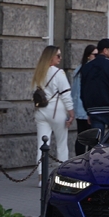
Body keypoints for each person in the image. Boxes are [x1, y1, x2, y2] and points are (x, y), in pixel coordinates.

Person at [32, 46, 74, 186]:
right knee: (62, 145)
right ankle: (62, 177)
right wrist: (71, 113)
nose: (60, 58)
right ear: (51, 57)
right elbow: (66, 94)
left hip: (41, 112)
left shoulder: (39, 73)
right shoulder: (59, 73)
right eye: (58, 56)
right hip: (57, 112)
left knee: (42, 144)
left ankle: (41, 178)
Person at [80, 38, 109, 134]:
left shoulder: (86, 67)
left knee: (97, 142)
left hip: (94, 111)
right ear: (105, 50)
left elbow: (83, 92)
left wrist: (88, 110)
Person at [71, 44, 98, 155]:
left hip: (80, 110)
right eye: (95, 55)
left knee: (81, 137)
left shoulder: (79, 70)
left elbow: (74, 93)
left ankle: (79, 160)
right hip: (87, 109)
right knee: (91, 138)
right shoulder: (90, 70)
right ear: (88, 56)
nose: (97, 57)